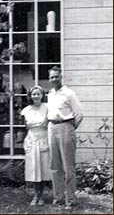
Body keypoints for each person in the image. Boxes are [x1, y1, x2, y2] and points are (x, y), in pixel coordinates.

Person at [47, 66, 83, 209]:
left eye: (56, 76)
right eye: (51, 77)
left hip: (66, 126)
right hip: (51, 127)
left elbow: (79, 114)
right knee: (54, 166)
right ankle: (58, 197)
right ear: (49, 79)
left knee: (68, 166)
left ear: (61, 77)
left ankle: (71, 199)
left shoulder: (69, 93)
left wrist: (70, 128)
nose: (54, 79)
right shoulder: (50, 94)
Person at [21, 86, 50, 206]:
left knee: (43, 168)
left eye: (38, 94)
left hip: (43, 138)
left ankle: (41, 195)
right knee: (33, 168)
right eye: (34, 94)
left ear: (42, 95)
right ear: (30, 96)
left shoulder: (47, 108)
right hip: (32, 139)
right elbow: (25, 127)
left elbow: (49, 124)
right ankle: (35, 195)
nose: (36, 96)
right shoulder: (26, 110)